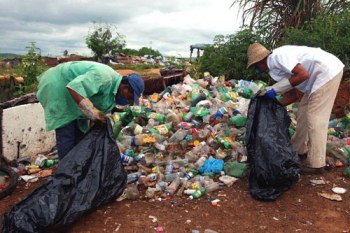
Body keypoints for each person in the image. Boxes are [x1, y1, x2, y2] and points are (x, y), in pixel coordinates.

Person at [246, 42, 344, 174]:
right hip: (316, 80)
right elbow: (292, 95)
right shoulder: (275, 68)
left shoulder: (278, 57)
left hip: (327, 72)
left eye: (256, 66)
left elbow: (303, 75)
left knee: (316, 117)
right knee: (303, 112)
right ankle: (299, 150)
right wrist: (274, 105)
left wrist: (275, 90)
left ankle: (316, 164)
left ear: (260, 60)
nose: (257, 69)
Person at [36, 61, 144, 160]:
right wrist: (93, 112)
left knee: (80, 136)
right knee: (67, 132)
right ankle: (66, 174)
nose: (129, 101)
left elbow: (98, 110)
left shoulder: (113, 92)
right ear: (125, 86)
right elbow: (74, 87)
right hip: (58, 85)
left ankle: (77, 170)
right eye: (130, 97)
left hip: (73, 94)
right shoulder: (103, 77)